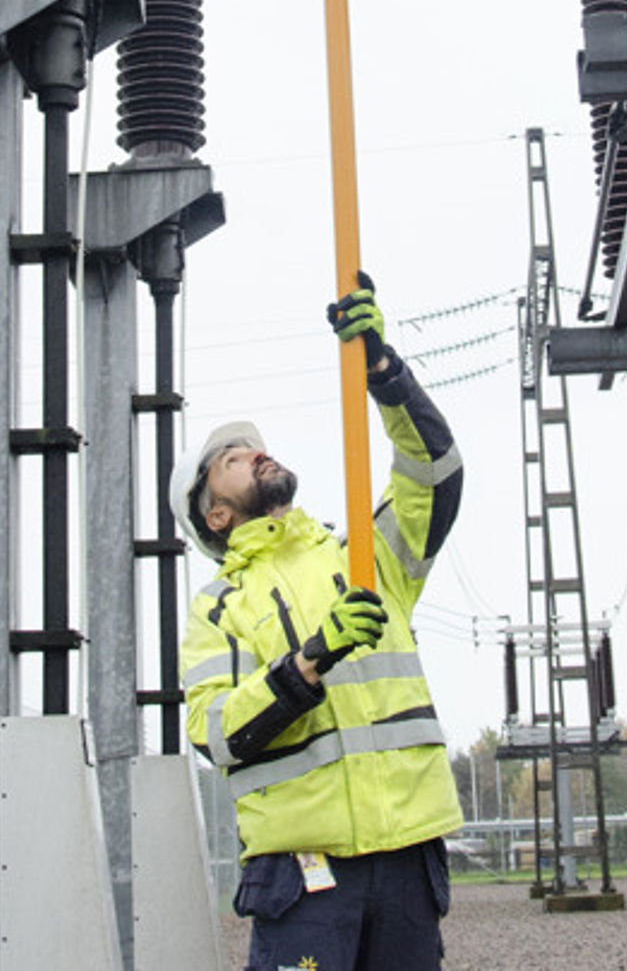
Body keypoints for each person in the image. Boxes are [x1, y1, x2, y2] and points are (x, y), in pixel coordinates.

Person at [173, 273, 465, 971]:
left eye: (255, 447)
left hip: (407, 855)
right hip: (301, 874)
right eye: (232, 460)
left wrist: (383, 370)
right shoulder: (219, 606)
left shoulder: (365, 556)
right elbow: (215, 733)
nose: (255, 453)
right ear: (217, 515)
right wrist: (309, 661)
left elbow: (435, 473)